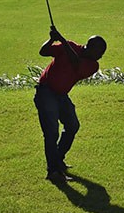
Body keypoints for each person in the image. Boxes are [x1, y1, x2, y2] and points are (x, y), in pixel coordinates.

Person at [35, 26, 107, 183]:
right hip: (46, 92)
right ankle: (53, 170)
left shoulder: (92, 65)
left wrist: (61, 40)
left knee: (72, 125)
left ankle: (58, 159)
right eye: (99, 52)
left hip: (61, 96)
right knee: (51, 132)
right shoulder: (70, 46)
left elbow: (76, 62)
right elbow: (43, 52)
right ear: (89, 47)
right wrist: (52, 39)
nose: (100, 57)